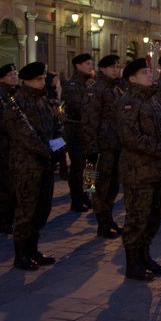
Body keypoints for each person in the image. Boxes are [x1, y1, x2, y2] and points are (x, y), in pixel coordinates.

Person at [116, 58, 161, 281]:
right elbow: (131, 137)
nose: (149, 75)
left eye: (149, 71)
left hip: (155, 170)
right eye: (144, 72)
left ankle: (145, 256)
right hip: (137, 171)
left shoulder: (152, 100)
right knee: (137, 218)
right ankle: (133, 263)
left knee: (152, 217)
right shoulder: (128, 101)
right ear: (132, 78)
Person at [5, 62, 61, 270]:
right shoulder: (17, 102)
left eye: (44, 78)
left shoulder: (43, 100)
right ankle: (21, 254)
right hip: (27, 164)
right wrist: (47, 151)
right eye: (39, 79)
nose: (43, 81)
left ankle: (33, 249)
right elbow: (25, 134)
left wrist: (59, 144)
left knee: (42, 208)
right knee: (26, 210)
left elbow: (55, 125)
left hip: (45, 162)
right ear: (27, 80)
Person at [82, 55, 124, 238]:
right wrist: (91, 150)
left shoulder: (115, 89)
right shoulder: (95, 90)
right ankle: (102, 223)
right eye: (112, 67)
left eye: (117, 67)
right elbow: (89, 122)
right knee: (100, 187)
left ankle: (108, 218)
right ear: (103, 69)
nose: (116, 70)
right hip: (101, 148)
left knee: (113, 186)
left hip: (115, 145)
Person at [0, 63, 19, 234]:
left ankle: (14, 216)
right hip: (4, 147)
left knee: (17, 183)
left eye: (15, 73)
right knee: (6, 185)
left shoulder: (18, 94)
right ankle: (4, 220)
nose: (13, 77)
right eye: (10, 75)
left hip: (18, 146)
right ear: (2, 78)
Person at [61, 53, 94, 212]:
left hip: (89, 131)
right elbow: (78, 107)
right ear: (78, 66)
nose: (90, 66)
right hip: (76, 131)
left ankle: (87, 194)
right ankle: (76, 199)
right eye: (87, 63)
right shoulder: (72, 85)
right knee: (78, 167)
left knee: (91, 166)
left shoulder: (90, 83)